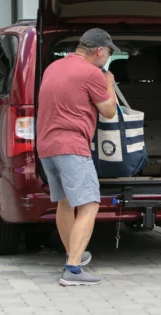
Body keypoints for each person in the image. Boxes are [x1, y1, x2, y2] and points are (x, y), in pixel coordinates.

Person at [36, 28, 119, 285]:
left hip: (46, 146)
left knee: (64, 203)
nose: (107, 59)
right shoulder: (92, 73)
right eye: (108, 53)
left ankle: (75, 255)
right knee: (90, 204)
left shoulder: (53, 68)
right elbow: (108, 112)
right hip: (71, 146)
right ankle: (72, 270)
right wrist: (110, 84)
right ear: (99, 51)